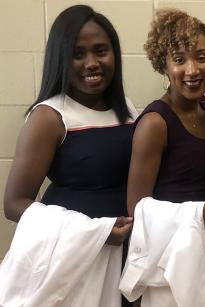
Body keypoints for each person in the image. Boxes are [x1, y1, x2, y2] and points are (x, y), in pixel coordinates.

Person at [3, 5, 137, 306]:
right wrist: (95, 232)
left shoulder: (127, 109)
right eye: (78, 54)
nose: (92, 63)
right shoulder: (50, 116)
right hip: (74, 258)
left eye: (101, 51)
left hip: (125, 251)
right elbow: (14, 204)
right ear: (60, 58)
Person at [127, 8, 205, 306]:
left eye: (201, 57)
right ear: (163, 65)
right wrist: (204, 212)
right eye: (179, 60)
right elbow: (137, 210)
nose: (192, 70)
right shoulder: (155, 123)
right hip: (170, 260)